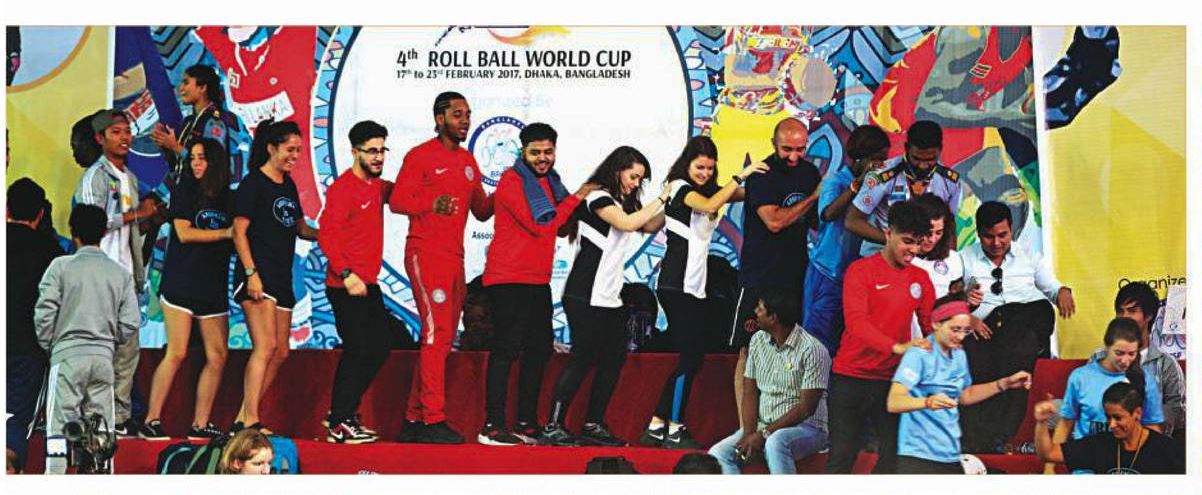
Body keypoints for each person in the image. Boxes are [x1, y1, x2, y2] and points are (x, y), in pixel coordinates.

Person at [640, 135, 767, 449]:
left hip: (694, 286)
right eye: (700, 167)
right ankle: (675, 429)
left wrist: (771, 180)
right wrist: (742, 174)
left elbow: (737, 195)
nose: (705, 173)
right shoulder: (681, 187)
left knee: (691, 359)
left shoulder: (706, 191)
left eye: (710, 168)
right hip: (676, 284)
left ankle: (656, 427)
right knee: (690, 359)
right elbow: (712, 204)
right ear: (687, 165)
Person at [538, 146, 668, 447]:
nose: (636, 183)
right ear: (617, 170)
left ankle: (593, 424)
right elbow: (628, 224)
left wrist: (674, 206)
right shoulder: (598, 197)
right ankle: (553, 425)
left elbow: (648, 224)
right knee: (582, 358)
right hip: (584, 294)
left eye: (641, 179)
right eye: (633, 176)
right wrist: (663, 196)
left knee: (613, 360)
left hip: (611, 297)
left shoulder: (623, 202)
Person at [477, 123, 596, 446]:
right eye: (535, 153)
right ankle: (492, 425)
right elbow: (541, 226)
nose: (543, 158)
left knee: (540, 349)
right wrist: (578, 196)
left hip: (537, 280)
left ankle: (526, 422)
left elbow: (561, 227)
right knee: (506, 349)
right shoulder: (511, 181)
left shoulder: (551, 183)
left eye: (548, 152)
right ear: (522, 152)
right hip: (507, 278)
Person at [389, 91, 494, 444]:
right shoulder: (420, 156)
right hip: (425, 254)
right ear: (439, 118)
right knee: (436, 336)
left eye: (468, 114)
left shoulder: (468, 161)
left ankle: (413, 418)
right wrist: (432, 202)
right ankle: (433, 419)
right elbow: (397, 201)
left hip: (455, 258)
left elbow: (482, 210)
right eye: (457, 114)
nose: (465, 121)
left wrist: (514, 182)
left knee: (444, 338)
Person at [825, 199, 934, 474]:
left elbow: (931, 326)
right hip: (850, 378)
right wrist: (896, 347)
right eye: (907, 241)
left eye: (918, 243)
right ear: (888, 233)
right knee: (842, 456)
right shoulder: (860, 271)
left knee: (893, 458)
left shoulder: (920, 278)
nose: (913, 250)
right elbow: (856, 323)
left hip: (892, 382)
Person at [958, 200, 1076, 452]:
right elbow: (950, 305)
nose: (996, 243)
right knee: (1019, 347)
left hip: (1026, 320)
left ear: (1011, 229)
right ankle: (997, 437)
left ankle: (998, 435)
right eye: (989, 237)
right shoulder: (965, 259)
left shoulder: (1028, 256)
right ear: (978, 233)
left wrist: (1063, 292)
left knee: (1037, 310)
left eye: (1003, 235)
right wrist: (968, 315)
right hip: (990, 333)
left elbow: (1052, 288)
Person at [729, 117, 822, 433]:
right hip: (760, 275)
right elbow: (775, 221)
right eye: (787, 149)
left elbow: (817, 220)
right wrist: (813, 197)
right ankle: (746, 430)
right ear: (773, 144)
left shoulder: (809, 173)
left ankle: (782, 425)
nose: (794, 156)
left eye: (800, 149)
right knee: (748, 350)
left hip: (796, 274)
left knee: (794, 348)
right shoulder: (762, 175)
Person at [141, 138, 235, 441]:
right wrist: (226, 233)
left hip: (212, 286)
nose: (195, 163)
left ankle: (200, 423)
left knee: (218, 355)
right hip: (181, 282)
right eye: (192, 157)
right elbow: (184, 232)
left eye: (201, 158)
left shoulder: (228, 197)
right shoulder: (185, 190)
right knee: (177, 351)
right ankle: (151, 419)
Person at [35, 205, 140, 474]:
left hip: (66, 356)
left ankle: (55, 476)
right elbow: (130, 322)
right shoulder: (120, 273)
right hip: (103, 359)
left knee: (58, 425)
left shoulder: (60, 266)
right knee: (102, 427)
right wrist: (108, 343)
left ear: (73, 232)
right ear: (104, 233)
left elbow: (44, 313)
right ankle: (102, 476)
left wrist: (52, 345)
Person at [71, 109, 157, 437]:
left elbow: (130, 228)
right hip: (98, 276)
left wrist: (145, 220)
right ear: (100, 138)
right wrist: (137, 214)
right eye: (116, 132)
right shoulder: (95, 176)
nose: (124, 137)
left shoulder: (130, 178)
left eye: (127, 131)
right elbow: (91, 223)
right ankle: (94, 418)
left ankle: (118, 417)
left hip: (126, 277)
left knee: (127, 351)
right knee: (99, 349)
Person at [231, 119, 319, 434]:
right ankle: (251, 421)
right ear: (271, 148)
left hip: (282, 276)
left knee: (281, 350)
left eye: (298, 150)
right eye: (289, 149)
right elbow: (238, 231)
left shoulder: (288, 185)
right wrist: (251, 273)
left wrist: (331, 234)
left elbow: (300, 228)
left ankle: (243, 416)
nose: (294, 156)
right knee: (265, 346)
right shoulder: (253, 183)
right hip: (259, 274)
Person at [887, 294, 1032, 474]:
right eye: (955, 329)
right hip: (918, 455)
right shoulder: (919, 354)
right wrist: (927, 402)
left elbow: (965, 395)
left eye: (966, 331)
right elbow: (893, 402)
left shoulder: (959, 355)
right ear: (936, 324)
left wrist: (1004, 383)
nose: (961, 336)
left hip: (950, 453)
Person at [318, 120, 394, 444]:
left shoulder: (378, 186)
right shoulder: (343, 189)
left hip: (369, 283)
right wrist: (346, 273)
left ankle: (342, 412)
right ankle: (339, 421)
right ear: (354, 152)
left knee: (381, 346)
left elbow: (405, 193)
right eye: (371, 151)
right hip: (345, 284)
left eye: (382, 150)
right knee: (358, 348)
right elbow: (327, 234)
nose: (378, 157)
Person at [708, 292, 831, 474]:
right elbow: (749, 391)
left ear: (773, 318)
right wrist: (748, 433)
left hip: (808, 428)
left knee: (775, 442)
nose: (755, 312)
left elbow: (805, 409)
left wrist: (764, 434)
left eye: (760, 309)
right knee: (718, 454)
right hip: (763, 425)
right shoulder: (757, 340)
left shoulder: (813, 350)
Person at [803, 124, 889, 356]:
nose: (882, 165)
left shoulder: (879, 185)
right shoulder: (836, 181)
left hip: (858, 278)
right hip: (828, 273)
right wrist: (857, 184)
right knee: (817, 344)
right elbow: (828, 214)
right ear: (861, 159)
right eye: (878, 159)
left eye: (884, 159)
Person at [7, 178, 64, 472]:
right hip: (29, 352)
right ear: (41, 214)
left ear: (6, 209)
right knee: (13, 427)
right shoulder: (52, 252)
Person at [845, 120, 962, 257]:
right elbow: (852, 221)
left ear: (940, 150)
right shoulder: (881, 177)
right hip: (883, 253)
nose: (923, 166)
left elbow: (949, 226)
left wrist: (950, 261)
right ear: (906, 148)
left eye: (931, 159)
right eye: (917, 158)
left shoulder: (950, 181)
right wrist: (896, 241)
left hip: (926, 260)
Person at [1034, 381, 1183, 474]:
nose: (1111, 425)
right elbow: (1048, 454)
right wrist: (1041, 423)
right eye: (1108, 417)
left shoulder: (1166, 449)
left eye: (1118, 418)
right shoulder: (1099, 443)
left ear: (1137, 413)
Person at [1056, 318, 1164, 443]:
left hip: (1126, 451)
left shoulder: (1146, 379)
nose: (1125, 361)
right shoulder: (1080, 377)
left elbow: (1152, 426)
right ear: (1107, 347)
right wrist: (1052, 455)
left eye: (1131, 354)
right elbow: (1065, 424)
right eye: (1119, 353)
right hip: (1087, 450)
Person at [1107, 282, 1185, 439]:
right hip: (1108, 438)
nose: (1124, 317)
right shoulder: (1100, 359)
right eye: (1120, 311)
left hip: (1150, 443)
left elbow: (1178, 411)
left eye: (1132, 311)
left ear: (1148, 316)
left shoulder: (1166, 364)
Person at [151, 63, 248, 186]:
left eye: (186, 83)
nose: (181, 88)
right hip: (185, 192)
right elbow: (180, 165)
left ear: (202, 88)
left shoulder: (216, 121)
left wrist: (174, 146)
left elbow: (212, 164)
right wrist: (164, 144)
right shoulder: (188, 122)